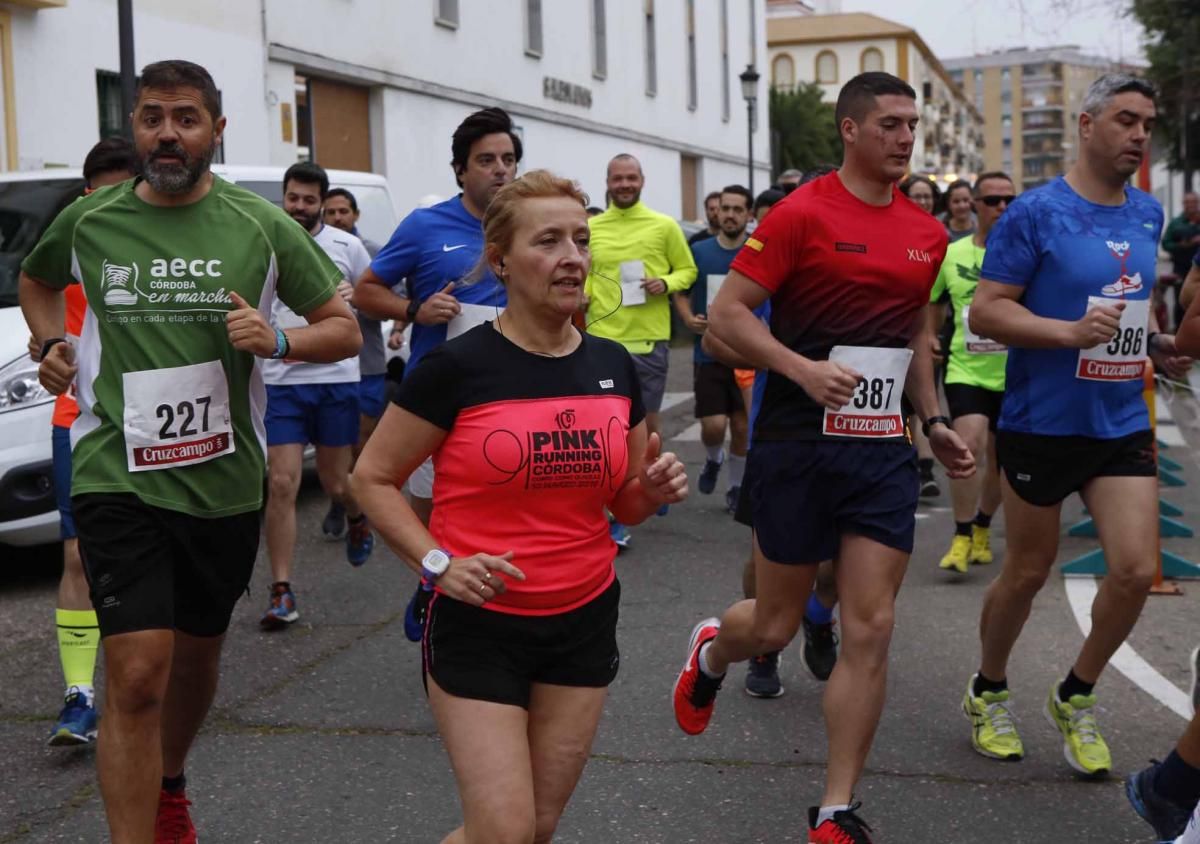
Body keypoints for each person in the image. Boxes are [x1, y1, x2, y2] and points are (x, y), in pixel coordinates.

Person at [18, 59, 359, 843]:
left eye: (185, 117)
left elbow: (338, 325)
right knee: (136, 674)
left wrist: (278, 338)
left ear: (216, 129)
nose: (167, 133)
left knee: (196, 661)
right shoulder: (92, 219)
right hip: (116, 471)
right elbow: (39, 283)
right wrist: (49, 340)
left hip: (223, 480)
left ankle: (169, 782)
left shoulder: (260, 224)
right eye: (151, 117)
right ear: (134, 127)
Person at [671, 72, 973, 842]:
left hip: (879, 450)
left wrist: (931, 418)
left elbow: (914, 337)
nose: (906, 138)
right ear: (850, 129)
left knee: (870, 625)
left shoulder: (925, 232)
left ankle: (836, 809)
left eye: (913, 125)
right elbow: (729, 318)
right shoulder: (801, 215)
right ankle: (713, 650)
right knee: (772, 625)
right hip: (798, 442)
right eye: (891, 124)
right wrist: (800, 369)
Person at [351, 169, 688, 844]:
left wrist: (649, 491)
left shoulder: (613, 366)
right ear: (500, 260)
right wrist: (436, 562)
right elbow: (372, 479)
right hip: (481, 625)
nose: (573, 257)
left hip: (583, 620)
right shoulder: (457, 369)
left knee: (535, 827)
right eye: (550, 241)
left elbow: (622, 503)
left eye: (582, 240)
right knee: (502, 830)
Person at [965, 73, 1192, 777]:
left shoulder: (1148, 213)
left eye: (1147, 124)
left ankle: (1075, 694)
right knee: (1028, 572)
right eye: (1126, 120)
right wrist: (1065, 333)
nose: (1138, 135)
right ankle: (989, 688)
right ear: (1087, 124)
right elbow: (986, 311)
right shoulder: (1034, 214)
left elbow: (1123, 311)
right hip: (1043, 420)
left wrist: (1153, 344)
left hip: (1120, 417)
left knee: (1131, 569)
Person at [352, 107, 521, 641]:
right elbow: (367, 291)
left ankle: (506, 610)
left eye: (509, 160)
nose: (500, 170)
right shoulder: (428, 226)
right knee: (428, 517)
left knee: (507, 509)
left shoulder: (527, 227)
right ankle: (432, 578)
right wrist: (414, 311)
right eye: (487, 160)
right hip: (439, 399)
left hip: (514, 394)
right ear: (460, 170)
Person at [34, 137, 137, 748]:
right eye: (102, 193)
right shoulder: (70, 249)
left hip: (159, 424)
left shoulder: (166, 249)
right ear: (84, 196)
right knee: (77, 556)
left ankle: (148, 670)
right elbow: (44, 318)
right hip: (82, 420)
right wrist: (48, 347)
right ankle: (80, 695)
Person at [260, 162, 376, 629]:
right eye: (293, 198)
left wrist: (357, 295)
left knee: (337, 483)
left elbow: (375, 295)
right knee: (282, 483)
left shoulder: (348, 246)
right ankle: (281, 591)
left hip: (335, 378)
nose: (300, 207)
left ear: (323, 203)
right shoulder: (265, 241)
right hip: (279, 380)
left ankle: (356, 514)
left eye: (309, 200)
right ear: (283, 197)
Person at [585, 153, 697, 544]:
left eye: (631, 178)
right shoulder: (592, 227)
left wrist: (663, 283)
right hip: (601, 337)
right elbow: (584, 274)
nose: (625, 184)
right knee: (604, 428)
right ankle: (613, 510)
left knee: (646, 424)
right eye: (618, 179)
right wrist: (581, 300)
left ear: (642, 181)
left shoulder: (664, 226)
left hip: (647, 340)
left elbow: (688, 271)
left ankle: (651, 476)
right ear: (608, 182)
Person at [929, 172, 1017, 574]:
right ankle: (962, 535)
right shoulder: (953, 254)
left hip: (1016, 372)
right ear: (975, 205)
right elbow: (934, 304)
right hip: (966, 368)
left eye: (1009, 200)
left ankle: (982, 525)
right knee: (968, 444)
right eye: (994, 200)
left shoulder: (1026, 254)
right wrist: (930, 337)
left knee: (1002, 462)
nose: (1002, 208)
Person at [675, 185, 753, 512]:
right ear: (717, 212)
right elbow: (680, 291)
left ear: (748, 215)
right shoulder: (700, 251)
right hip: (708, 351)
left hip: (748, 353)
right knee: (713, 426)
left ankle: (736, 487)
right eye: (726, 208)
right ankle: (712, 458)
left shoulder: (756, 251)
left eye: (738, 209)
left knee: (740, 426)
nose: (731, 215)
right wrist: (688, 318)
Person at [321, 186, 389, 540]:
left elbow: (394, 300)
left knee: (361, 442)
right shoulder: (317, 252)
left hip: (368, 364)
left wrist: (360, 298)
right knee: (340, 444)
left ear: (355, 214)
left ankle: (358, 502)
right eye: (330, 212)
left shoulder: (374, 253)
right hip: (332, 366)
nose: (337, 218)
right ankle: (341, 499)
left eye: (342, 211)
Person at [900, 173, 946, 498]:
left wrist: (932, 333)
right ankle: (909, 463)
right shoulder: (894, 231)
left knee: (922, 404)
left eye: (927, 196)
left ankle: (924, 469)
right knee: (904, 409)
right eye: (916, 196)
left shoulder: (939, 237)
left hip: (930, 334)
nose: (923, 202)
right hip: (894, 334)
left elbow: (936, 297)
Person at [1164, 192, 1200, 328]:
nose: (1191, 205)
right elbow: (1165, 244)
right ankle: (1179, 332)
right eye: (1187, 202)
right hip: (1180, 268)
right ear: (1183, 204)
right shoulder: (1175, 223)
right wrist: (1183, 245)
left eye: (1193, 202)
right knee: (1180, 302)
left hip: (1198, 271)